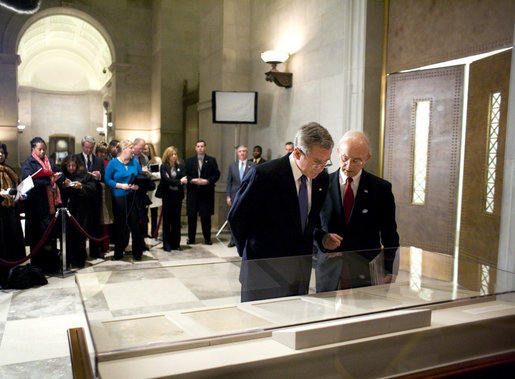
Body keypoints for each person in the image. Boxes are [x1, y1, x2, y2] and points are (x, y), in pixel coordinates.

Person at [228, 122, 341, 302]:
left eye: (325, 162)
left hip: (299, 273)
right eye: (316, 161)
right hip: (263, 272)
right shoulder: (264, 175)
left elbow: (304, 221)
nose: (321, 168)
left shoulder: (321, 179)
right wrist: (251, 256)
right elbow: (237, 218)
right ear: (297, 153)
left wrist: (320, 237)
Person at [315, 131, 400, 292]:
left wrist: (389, 270)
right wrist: (322, 239)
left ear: (367, 158)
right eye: (345, 158)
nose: (348, 166)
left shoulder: (381, 189)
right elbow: (309, 226)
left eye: (356, 161)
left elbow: (390, 235)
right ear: (338, 152)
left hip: (365, 270)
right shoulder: (320, 183)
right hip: (329, 268)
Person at [22, 137, 65, 273]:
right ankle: (38, 267)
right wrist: (48, 180)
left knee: (50, 236)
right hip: (36, 206)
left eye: (44, 149)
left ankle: (51, 265)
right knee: (38, 237)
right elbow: (28, 182)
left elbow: (58, 171)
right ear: (33, 149)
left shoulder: (49, 161)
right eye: (39, 149)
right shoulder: (29, 163)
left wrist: (62, 178)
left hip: (50, 205)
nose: (42, 152)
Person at [104, 139, 146, 260]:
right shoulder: (113, 163)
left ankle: (137, 253)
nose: (133, 151)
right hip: (119, 197)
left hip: (133, 196)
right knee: (121, 225)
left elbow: (140, 176)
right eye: (131, 148)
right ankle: (118, 252)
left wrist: (138, 185)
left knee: (135, 225)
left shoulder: (134, 162)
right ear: (124, 150)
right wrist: (120, 185)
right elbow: (107, 179)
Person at [60, 155, 96, 268]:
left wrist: (81, 187)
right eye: (68, 166)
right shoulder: (62, 176)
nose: (71, 168)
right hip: (66, 211)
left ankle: (80, 260)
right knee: (66, 237)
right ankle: (67, 259)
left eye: (73, 165)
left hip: (80, 211)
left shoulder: (85, 176)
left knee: (80, 237)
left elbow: (92, 188)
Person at [73, 136, 104, 259]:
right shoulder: (76, 159)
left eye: (91, 148)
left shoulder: (99, 161)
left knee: (95, 225)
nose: (89, 150)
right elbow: (74, 175)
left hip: (95, 197)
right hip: (81, 197)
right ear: (82, 146)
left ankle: (95, 252)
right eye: (87, 147)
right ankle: (80, 253)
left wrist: (99, 175)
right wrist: (87, 176)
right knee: (81, 225)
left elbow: (105, 176)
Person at [184, 140, 220, 245]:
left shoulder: (212, 160)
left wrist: (207, 181)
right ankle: (191, 239)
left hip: (206, 193)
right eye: (198, 146)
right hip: (193, 193)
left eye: (202, 146)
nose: (200, 148)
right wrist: (192, 180)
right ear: (195, 148)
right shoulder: (189, 161)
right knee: (192, 217)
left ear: (205, 147)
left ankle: (207, 238)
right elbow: (185, 174)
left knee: (206, 217)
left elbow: (216, 174)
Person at [0, 143, 26, 286]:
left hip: (11, 211)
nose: (0, 155)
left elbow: (16, 187)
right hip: (0, 212)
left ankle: (13, 270)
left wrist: (20, 195)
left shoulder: (9, 170)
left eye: (2, 152)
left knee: (13, 239)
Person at [158, 146, 187, 251]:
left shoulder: (181, 166)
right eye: (172, 154)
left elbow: (184, 178)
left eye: (175, 154)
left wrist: (173, 180)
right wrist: (179, 181)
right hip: (167, 196)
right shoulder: (164, 167)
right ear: (168, 156)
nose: (174, 156)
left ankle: (176, 244)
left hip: (177, 196)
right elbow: (166, 180)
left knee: (176, 221)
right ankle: (167, 244)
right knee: (167, 220)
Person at [226, 145, 255, 247]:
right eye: (240, 151)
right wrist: (228, 196)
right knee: (234, 219)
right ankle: (233, 240)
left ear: (247, 153)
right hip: (234, 196)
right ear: (237, 153)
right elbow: (229, 182)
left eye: (244, 151)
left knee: (246, 219)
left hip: (247, 196)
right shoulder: (232, 166)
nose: (242, 153)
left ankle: (245, 240)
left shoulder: (253, 165)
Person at [95, 142, 113, 253]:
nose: (103, 154)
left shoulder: (109, 163)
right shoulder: (94, 162)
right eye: (101, 152)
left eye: (105, 152)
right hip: (95, 192)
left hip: (106, 192)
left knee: (105, 220)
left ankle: (105, 246)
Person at [145, 143, 162, 238]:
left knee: (154, 212)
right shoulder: (142, 160)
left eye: (146, 149)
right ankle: (144, 232)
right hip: (145, 189)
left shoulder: (157, 160)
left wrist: (151, 174)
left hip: (154, 188)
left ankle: (154, 232)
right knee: (144, 213)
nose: (144, 151)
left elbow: (161, 174)